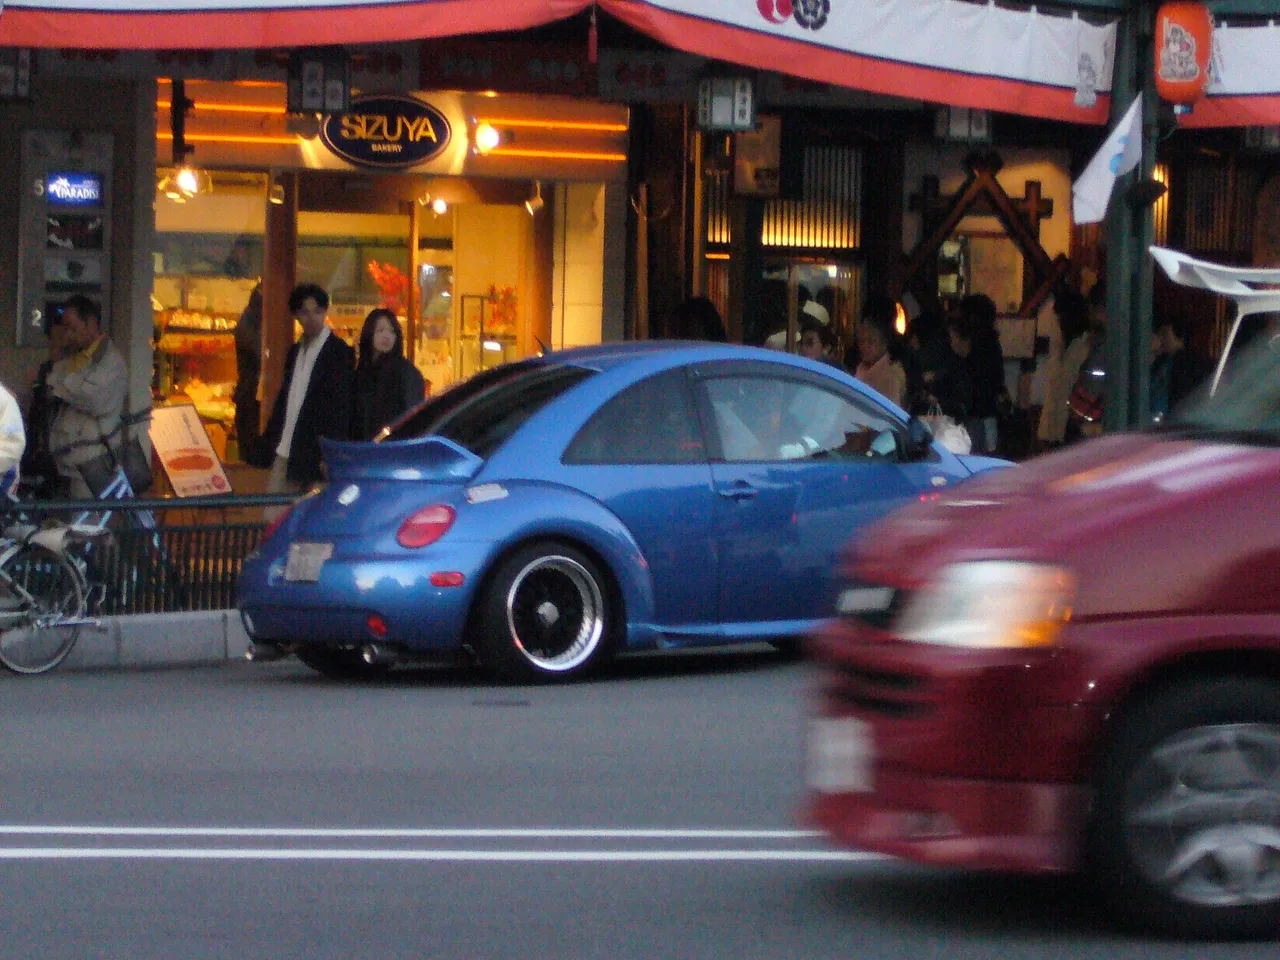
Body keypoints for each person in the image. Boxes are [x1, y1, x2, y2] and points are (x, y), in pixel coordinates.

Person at [260, 283, 355, 499]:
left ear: (324, 313)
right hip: (286, 448)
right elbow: (286, 399)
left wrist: (330, 453)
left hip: (317, 453)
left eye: (317, 311)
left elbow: (340, 409)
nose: (312, 318)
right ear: (296, 315)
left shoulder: (339, 353)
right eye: (305, 312)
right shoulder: (295, 352)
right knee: (274, 515)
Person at [46, 295, 128, 498]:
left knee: (86, 525)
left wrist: (62, 383)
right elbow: (50, 384)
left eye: (73, 328)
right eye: (65, 328)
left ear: (91, 323)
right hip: (68, 460)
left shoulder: (111, 361)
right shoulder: (74, 357)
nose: (69, 334)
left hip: (92, 461)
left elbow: (93, 399)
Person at [353, 308, 426, 441]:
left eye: (392, 331)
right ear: (369, 333)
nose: (386, 336)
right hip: (362, 450)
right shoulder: (361, 372)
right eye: (380, 330)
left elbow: (412, 418)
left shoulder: (406, 372)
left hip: (392, 450)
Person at [21, 309, 70, 497]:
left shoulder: (72, 370)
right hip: (41, 443)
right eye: (53, 340)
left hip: (62, 445)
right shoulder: (44, 368)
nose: (56, 344)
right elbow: (35, 405)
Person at [951, 294, 1006, 454]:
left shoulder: (979, 348)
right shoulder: (991, 344)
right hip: (986, 414)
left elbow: (976, 383)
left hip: (979, 414)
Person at [1038, 289, 1091, 448]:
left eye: (1061, 316)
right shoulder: (1060, 344)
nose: (1058, 321)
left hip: (1074, 426)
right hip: (1055, 427)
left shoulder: (1087, 345)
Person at [854, 297, 907, 408]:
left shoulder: (891, 375)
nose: (865, 347)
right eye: (862, 341)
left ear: (884, 343)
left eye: (871, 342)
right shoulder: (861, 368)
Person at [233, 282, 263, 463]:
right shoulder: (255, 320)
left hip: (249, 395)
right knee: (253, 456)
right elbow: (260, 355)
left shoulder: (251, 317)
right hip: (252, 396)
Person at [1154, 316, 1208, 414]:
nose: (1161, 339)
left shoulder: (1188, 363)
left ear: (1179, 337)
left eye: (1164, 335)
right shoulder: (1161, 361)